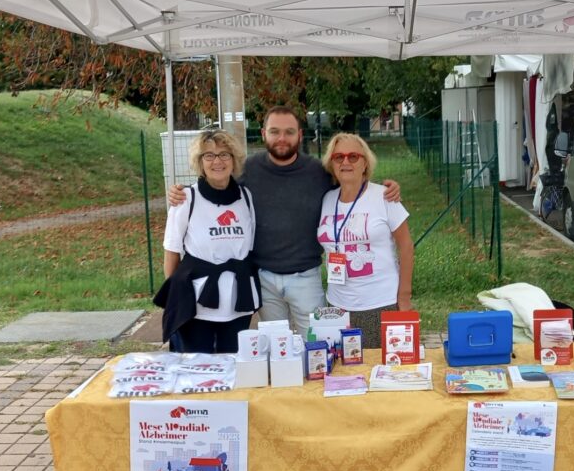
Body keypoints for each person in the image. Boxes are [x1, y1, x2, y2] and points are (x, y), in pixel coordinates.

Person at [168, 107, 400, 334]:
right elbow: (216, 182)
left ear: (300, 135)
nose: (281, 138)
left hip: (306, 277)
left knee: (317, 344)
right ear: (263, 134)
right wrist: (182, 192)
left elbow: (352, 181)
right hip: (264, 277)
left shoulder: (318, 172)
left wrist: (387, 189)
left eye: (289, 132)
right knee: (274, 347)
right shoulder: (247, 170)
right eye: (274, 131)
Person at [155, 129, 261, 353]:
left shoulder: (246, 197)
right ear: (200, 162)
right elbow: (172, 251)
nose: (217, 161)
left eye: (224, 154)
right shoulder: (186, 199)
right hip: (197, 304)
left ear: (234, 160)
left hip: (237, 301)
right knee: (196, 368)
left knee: (234, 365)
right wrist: (176, 297)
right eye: (209, 155)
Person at [317, 133, 413, 346]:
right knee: (344, 373)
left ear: (365, 163)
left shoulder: (385, 196)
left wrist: (404, 298)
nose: (345, 162)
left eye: (353, 156)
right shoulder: (327, 199)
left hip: (380, 303)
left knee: (381, 370)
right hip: (338, 305)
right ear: (331, 163)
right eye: (338, 157)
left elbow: (406, 246)